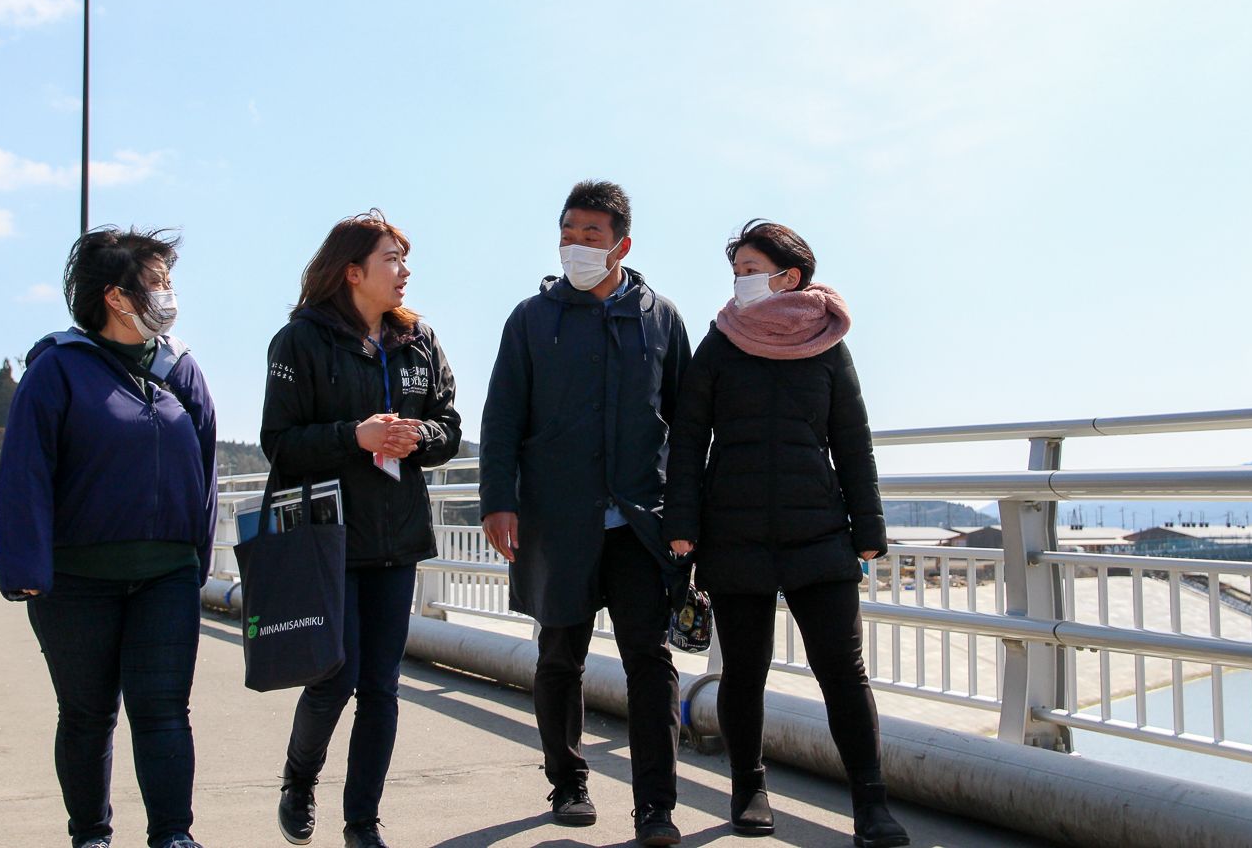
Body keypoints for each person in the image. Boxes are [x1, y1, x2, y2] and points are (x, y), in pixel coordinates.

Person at [663, 220, 909, 846]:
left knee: (843, 672)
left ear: (789, 276)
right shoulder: (719, 343)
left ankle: (871, 804)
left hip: (819, 533)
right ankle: (748, 789)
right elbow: (690, 438)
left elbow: (853, 440)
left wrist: (868, 528)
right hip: (734, 533)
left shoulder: (829, 341)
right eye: (737, 271)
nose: (739, 282)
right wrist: (684, 527)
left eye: (750, 270)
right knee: (745, 671)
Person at [479, 181, 691, 847]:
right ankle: (567, 780)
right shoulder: (530, 319)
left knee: (649, 661)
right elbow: (503, 415)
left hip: (639, 522)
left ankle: (656, 805)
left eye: (590, 235)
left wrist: (687, 517)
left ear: (622, 244)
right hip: (557, 517)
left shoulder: (661, 319)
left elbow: (687, 426)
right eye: (567, 232)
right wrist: (497, 501)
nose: (575, 244)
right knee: (558, 657)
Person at [0, 227, 216, 848]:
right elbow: (25, 474)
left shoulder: (181, 369)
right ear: (117, 298)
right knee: (88, 715)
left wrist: (194, 557)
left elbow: (205, 470)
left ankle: (173, 836)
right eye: (157, 283)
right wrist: (27, 571)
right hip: (73, 579)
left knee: (163, 710)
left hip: (166, 575)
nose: (168, 296)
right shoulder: (57, 370)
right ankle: (91, 834)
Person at [261, 210, 462, 848]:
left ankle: (362, 822)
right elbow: (280, 444)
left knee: (381, 687)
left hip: (396, 537)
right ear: (353, 272)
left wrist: (418, 436)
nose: (405, 273)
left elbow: (449, 426)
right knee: (335, 678)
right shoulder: (298, 341)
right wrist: (357, 436)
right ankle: (299, 780)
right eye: (392, 261)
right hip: (327, 537)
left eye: (404, 260)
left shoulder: (419, 340)